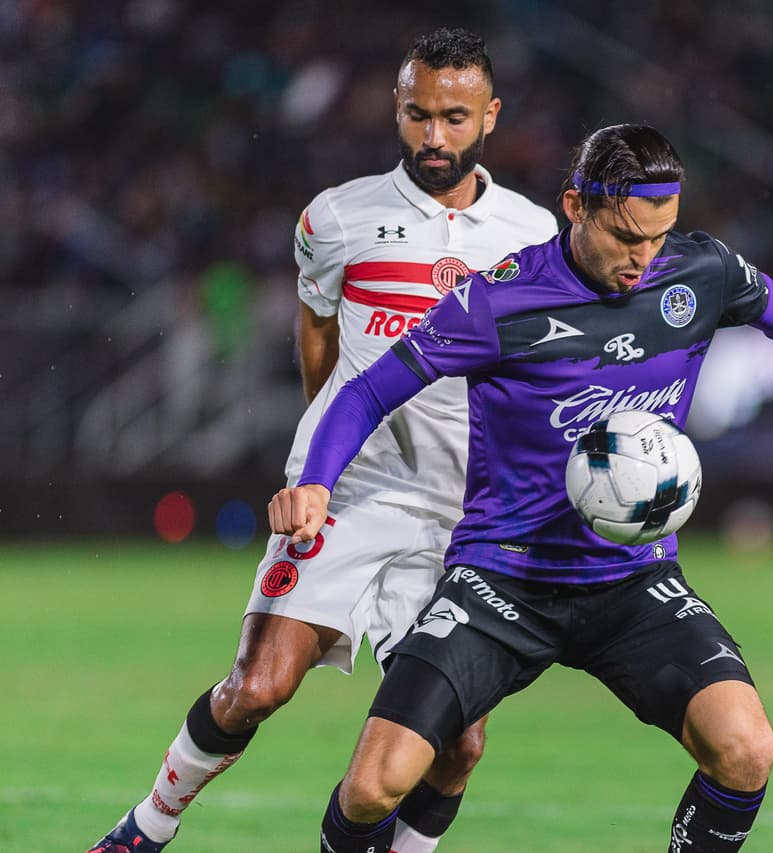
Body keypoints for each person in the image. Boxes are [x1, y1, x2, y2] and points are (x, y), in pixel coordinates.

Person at [271, 123, 773, 853]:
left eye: (658, 236)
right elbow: (365, 392)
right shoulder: (498, 303)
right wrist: (316, 484)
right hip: (501, 580)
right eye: (624, 236)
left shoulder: (696, 273)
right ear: (575, 204)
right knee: (372, 788)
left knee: (745, 747)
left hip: (631, 581)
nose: (643, 260)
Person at [88, 28, 558, 853]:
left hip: (462, 517)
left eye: (454, 117)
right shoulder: (338, 216)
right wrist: (324, 450)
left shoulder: (531, 235)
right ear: (396, 108)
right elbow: (318, 330)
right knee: (257, 686)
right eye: (417, 115)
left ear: (491, 115)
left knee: (459, 742)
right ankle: (143, 830)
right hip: (347, 496)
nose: (434, 137)